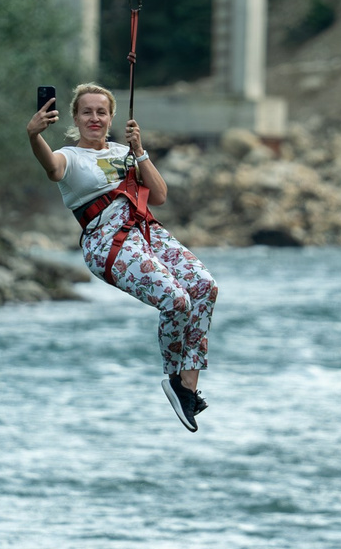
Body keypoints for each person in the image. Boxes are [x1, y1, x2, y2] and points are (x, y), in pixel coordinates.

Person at [28, 84, 216, 431]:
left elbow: (158, 196)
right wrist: (34, 136)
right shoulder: (70, 156)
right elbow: (52, 169)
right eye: (87, 112)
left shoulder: (124, 150)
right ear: (76, 118)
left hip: (145, 231)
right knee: (175, 300)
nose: (95, 118)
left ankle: (187, 387)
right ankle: (174, 377)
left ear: (111, 117)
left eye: (102, 112)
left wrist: (139, 151)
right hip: (107, 241)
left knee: (204, 287)